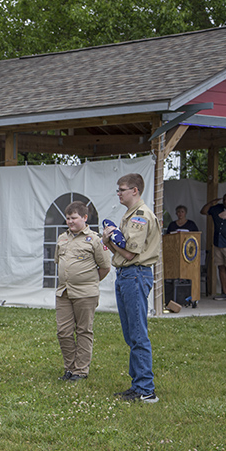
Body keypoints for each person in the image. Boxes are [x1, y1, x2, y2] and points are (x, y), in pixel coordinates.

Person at [103, 173, 161, 403]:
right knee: (131, 333)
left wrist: (108, 240)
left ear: (134, 190)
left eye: (122, 189)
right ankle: (138, 385)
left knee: (138, 334)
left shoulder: (141, 216)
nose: (119, 193)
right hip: (127, 275)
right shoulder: (130, 215)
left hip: (134, 274)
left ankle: (146, 390)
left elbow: (128, 253)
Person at [55, 202, 111, 382]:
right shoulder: (62, 238)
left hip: (86, 293)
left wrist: (89, 282)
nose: (70, 221)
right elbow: (58, 261)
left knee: (84, 331)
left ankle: (81, 371)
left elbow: (105, 267)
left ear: (85, 218)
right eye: (68, 218)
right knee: (63, 331)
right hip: (64, 292)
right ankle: (70, 368)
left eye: (74, 218)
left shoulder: (95, 240)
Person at [200, 193, 226, 300]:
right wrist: (211, 203)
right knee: (221, 267)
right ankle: (224, 292)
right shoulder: (217, 208)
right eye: (225, 199)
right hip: (218, 242)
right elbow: (203, 211)